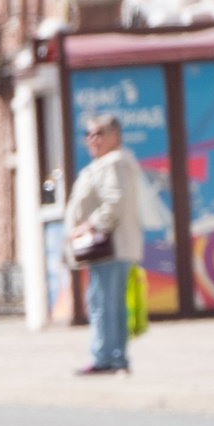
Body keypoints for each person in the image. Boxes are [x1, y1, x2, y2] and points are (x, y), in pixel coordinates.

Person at [65, 111, 142, 376]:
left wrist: (91, 225)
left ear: (115, 136)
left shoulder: (115, 163)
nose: (91, 139)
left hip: (111, 246)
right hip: (107, 248)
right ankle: (113, 356)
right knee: (106, 303)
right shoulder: (105, 163)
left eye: (97, 133)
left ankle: (106, 357)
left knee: (104, 304)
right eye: (88, 134)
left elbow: (115, 202)